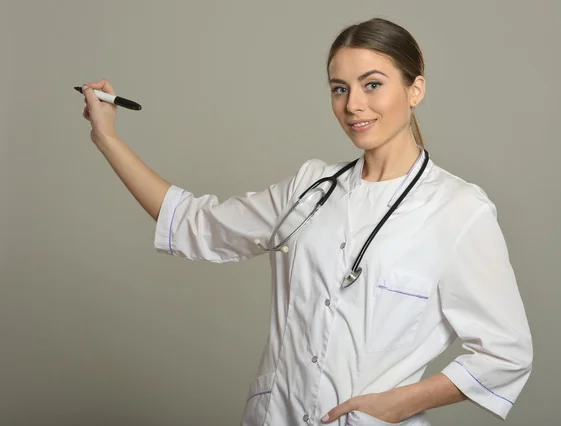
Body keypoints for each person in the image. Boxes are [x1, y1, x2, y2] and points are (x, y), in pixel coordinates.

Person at [80, 17, 533, 426]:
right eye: (340, 88)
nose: (354, 104)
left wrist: (399, 403)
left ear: (415, 90)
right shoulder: (311, 187)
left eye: (372, 84)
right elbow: (194, 223)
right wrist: (107, 138)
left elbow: (505, 352)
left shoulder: (459, 210)